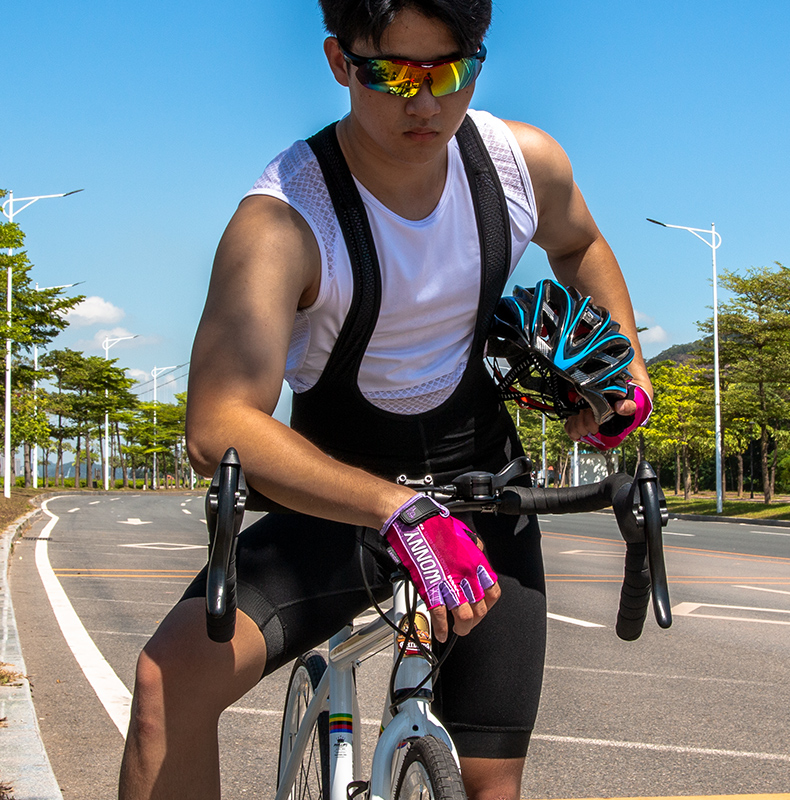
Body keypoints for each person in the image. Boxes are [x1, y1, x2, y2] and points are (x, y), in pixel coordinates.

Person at [118, 2, 653, 798]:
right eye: (394, 73)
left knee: (489, 783)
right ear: (340, 61)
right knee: (169, 685)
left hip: (483, 487)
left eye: (449, 71)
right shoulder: (284, 222)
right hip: (334, 492)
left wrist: (629, 375)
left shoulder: (519, 164)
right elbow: (216, 424)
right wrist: (395, 509)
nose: (426, 102)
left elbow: (577, 243)